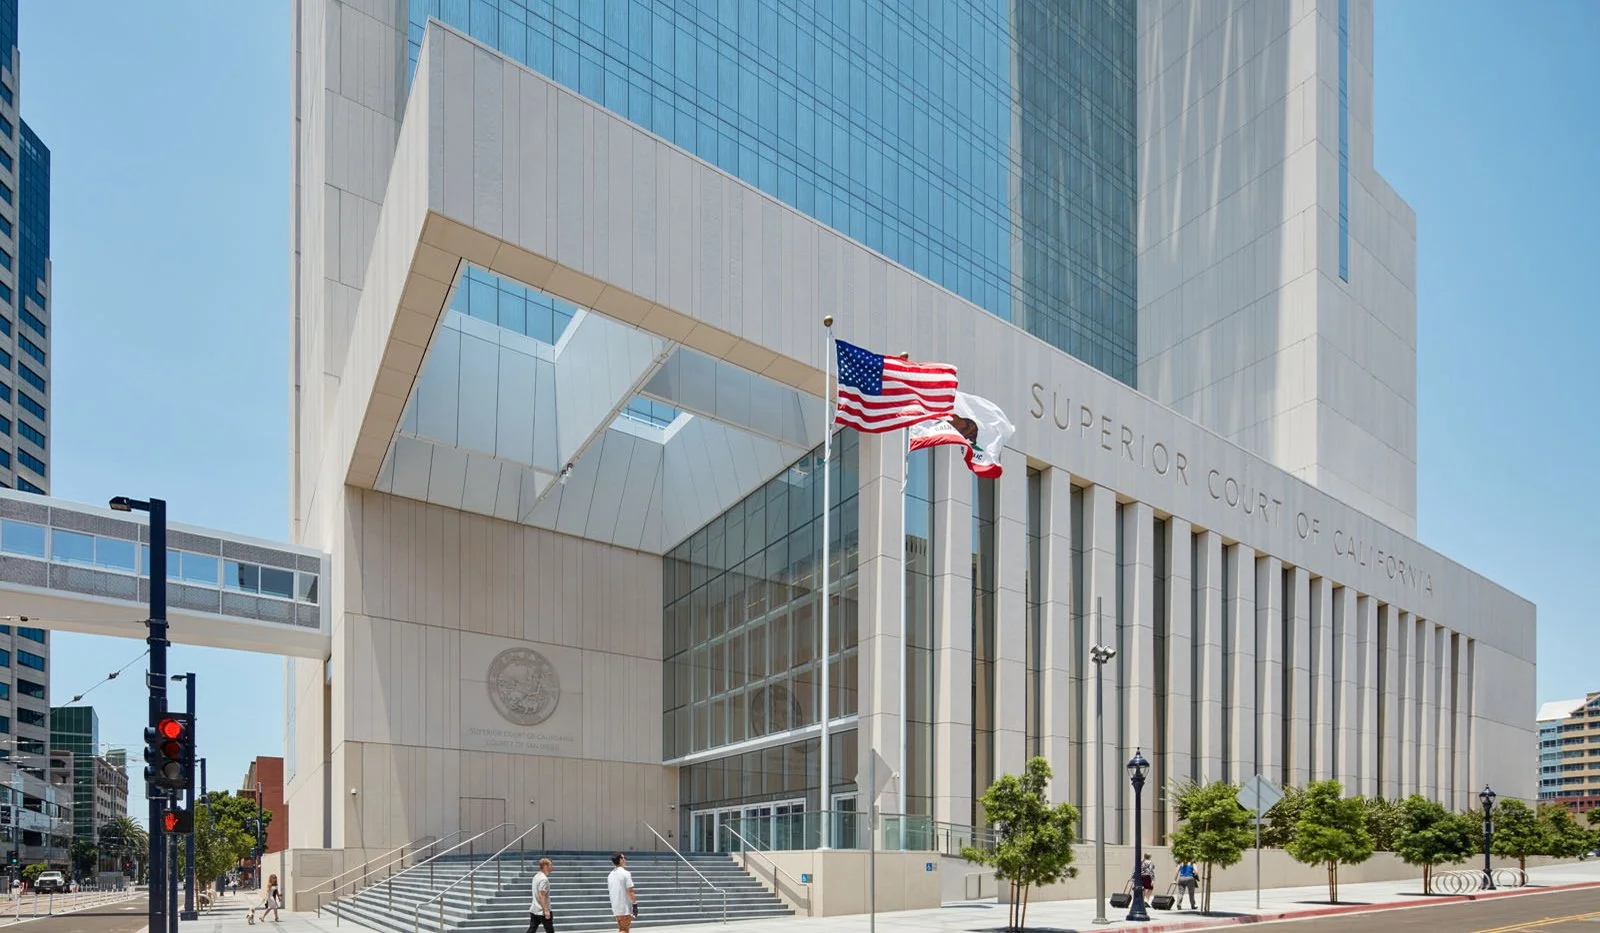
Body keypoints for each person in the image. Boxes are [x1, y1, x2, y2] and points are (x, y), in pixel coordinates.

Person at [607, 853, 636, 932]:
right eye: (623, 858)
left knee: (621, 929)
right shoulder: (626, 874)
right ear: (620, 860)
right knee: (624, 930)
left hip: (616, 907)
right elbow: (630, 891)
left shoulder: (610, 875)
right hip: (624, 908)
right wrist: (635, 904)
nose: (625, 859)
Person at [529, 857, 554, 933]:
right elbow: (542, 895)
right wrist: (546, 910)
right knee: (550, 931)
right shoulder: (544, 879)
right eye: (550, 865)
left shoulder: (536, 876)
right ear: (545, 866)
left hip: (534, 909)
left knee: (532, 929)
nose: (552, 867)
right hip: (542, 911)